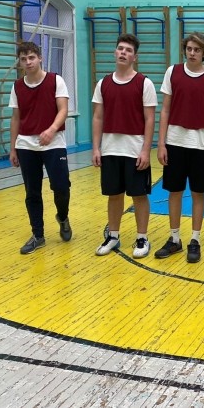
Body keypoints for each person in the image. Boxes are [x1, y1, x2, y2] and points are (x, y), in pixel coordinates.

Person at [155, 32, 204, 263]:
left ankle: (195, 239)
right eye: (189, 48)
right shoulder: (172, 72)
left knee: (197, 192)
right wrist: (161, 143)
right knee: (174, 191)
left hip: (201, 144)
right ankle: (174, 239)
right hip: (174, 142)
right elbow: (165, 109)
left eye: (197, 49)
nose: (192, 53)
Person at [91, 33, 157, 258]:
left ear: (134, 57)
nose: (123, 53)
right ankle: (113, 236)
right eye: (120, 49)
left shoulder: (144, 83)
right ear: (115, 52)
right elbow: (98, 117)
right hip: (110, 149)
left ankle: (142, 237)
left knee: (139, 195)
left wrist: (146, 150)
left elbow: (150, 119)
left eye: (128, 50)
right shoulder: (103, 83)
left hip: (135, 150)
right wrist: (96, 148)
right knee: (114, 195)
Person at [9, 41, 72, 254]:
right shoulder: (17, 87)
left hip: (54, 142)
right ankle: (38, 235)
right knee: (32, 192)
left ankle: (63, 217)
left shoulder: (56, 80)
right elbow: (16, 118)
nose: (28, 62)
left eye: (31, 57)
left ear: (40, 58)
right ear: (20, 62)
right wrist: (13, 148)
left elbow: (63, 110)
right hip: (26, 145)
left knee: (61, 187)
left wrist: (51, 130)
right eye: (24, 59)